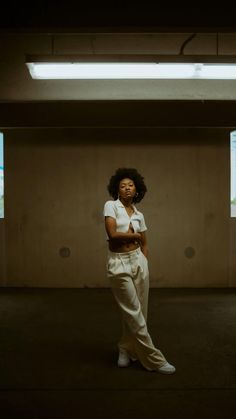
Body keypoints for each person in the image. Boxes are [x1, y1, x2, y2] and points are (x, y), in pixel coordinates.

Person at [103, 167, 175, 374]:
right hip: (118, 263)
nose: (126, 188)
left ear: (137, 190)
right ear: (117, 190)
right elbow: (112, 234)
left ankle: (126, 349)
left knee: (140, 311)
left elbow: (144, 242)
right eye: (122, 186)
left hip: (138, 261)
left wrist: (143, 259)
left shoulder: (139, 214)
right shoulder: (111, 206)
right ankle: (154, 359)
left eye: (130, 185)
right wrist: (132, 237)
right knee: (133, 311)